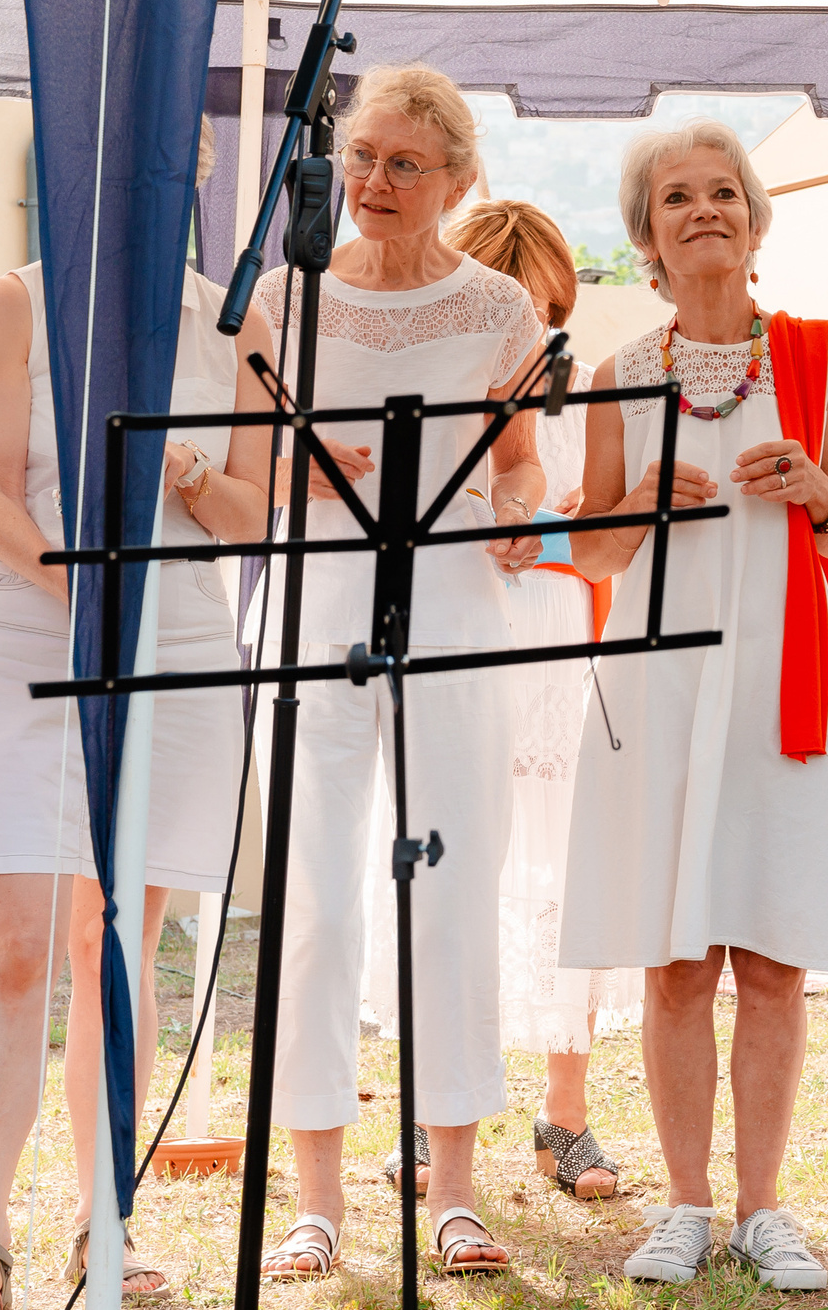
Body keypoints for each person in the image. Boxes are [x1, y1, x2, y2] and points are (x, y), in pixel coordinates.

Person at [0, 117, 275, 1309]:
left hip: (172, 630)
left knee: (112, 944)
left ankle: (103, 1220)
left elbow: (249, 516)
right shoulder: (9, 303)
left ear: (191, 187)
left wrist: (187, 474)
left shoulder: (236, 322)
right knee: (20, 939)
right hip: (29, 619)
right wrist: (83, 588)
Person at [560, 117, 828, 1291]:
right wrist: (633, 500)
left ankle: (762, 1205)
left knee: (776, 957)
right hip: (662, 683)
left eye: (725, 192)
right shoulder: (616, 376)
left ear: (753, 218)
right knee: (676, 959)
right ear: (646, 231)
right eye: (679, 196)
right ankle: (685, 1202)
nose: (706, 210)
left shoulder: (814, 355)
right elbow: (587, 557)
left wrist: (819, 484)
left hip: (782, 675)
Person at [247, 64, 547, 1280]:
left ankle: (454, 1184)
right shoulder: (282, 296)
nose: (371, 180)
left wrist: (522, 511)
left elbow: (522, 467)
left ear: (457, 180)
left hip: (456, 606)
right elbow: (234, 466)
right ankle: (316, 1195)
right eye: (361, 156)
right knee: (315, 890)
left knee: (451, 880)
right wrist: (290, 478)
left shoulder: (502, 311)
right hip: (316, 604)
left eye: (402, 163)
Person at [446, 198, 633, 1202]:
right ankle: (444, 1113)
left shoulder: (584, 391)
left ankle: (566, 1112)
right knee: (452, 866)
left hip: (558, 642)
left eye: (547, 308)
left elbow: (610, 519)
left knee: (566, 866)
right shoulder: (439, 383)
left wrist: (546, 531)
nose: (533, 328)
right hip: (461, 634)